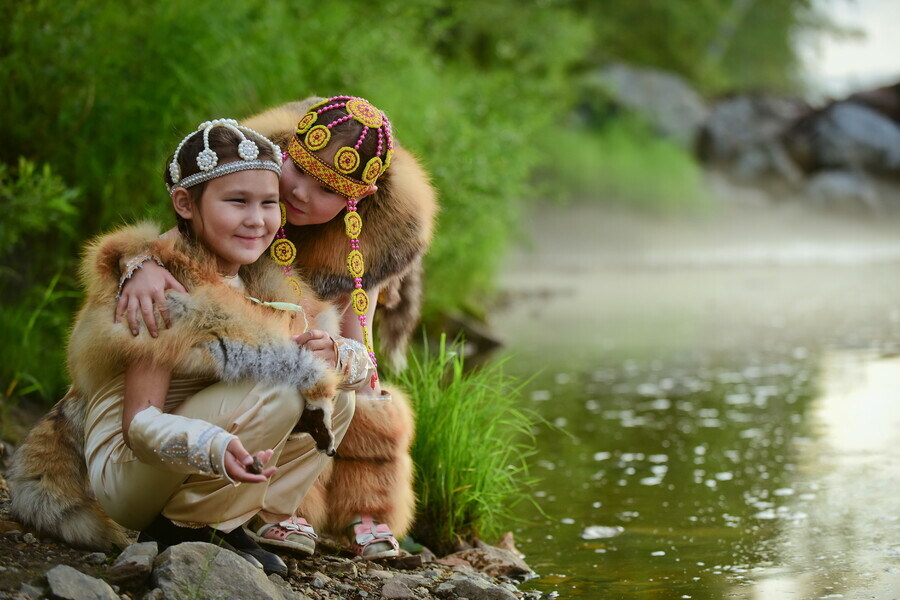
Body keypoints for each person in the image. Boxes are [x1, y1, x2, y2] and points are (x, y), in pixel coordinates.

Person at [9, 119, 377, 575]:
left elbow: (348, 369)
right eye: (237, 202)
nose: (257, 220)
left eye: (269, 203)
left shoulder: (260, 282)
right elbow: (139, 426)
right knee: (285, 386)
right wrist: (213, 446)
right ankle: (184, 526)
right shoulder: (162, 294)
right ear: (185, 203)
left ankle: (235, 519)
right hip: (131, 468)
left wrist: (336, 354)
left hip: (188, 457)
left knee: (326, 386)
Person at [111, 96, 435, 559]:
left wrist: (343, 356)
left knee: (343, 383)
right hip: (213, 365)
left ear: (356, 199)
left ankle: (365, 508)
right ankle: (275, 511)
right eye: (297, 170)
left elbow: (355, 343)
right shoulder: (251, 178)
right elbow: (180, 240)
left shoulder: (369, 242)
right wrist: (138, 261)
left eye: (325, 189)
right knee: (288, 383)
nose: (299, 193)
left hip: (281, 339)